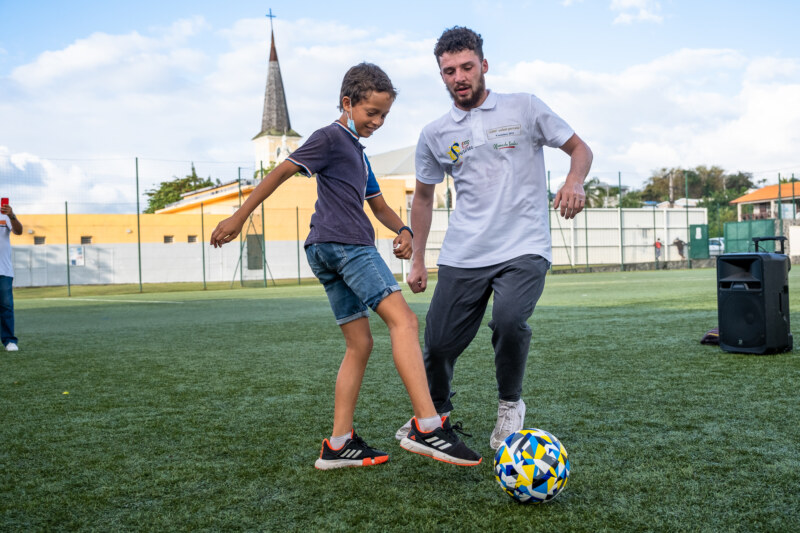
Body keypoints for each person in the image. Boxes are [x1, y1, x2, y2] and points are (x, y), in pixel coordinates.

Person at [210, 63, 481, 469]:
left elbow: (378, 205)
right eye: (372, 112)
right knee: (404, 322)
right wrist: (238, 216)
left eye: (384, 115)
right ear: (347, 103)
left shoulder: (357, 152)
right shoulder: (330, 137)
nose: (378, 121)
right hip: (345, 246)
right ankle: (428, 426)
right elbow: (281, 171)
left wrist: (404, 228)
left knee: (360, 343)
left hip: (323, 250)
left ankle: (338, 444)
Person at [398, 27, 593, 450]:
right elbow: (424, 199)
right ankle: (435, 415)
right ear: (442, 75)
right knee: (438, 344)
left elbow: (580, 149)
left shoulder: (524, 107)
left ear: (483, 65)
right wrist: (418, 259)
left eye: (467, 67)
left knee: (508, 320)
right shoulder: (434, 133)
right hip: (464, 252)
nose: (459, 77)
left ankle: (509, 405)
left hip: (524, 246)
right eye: (449, 71)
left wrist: (574, 181)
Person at [1, 201, 22, 351]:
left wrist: (12, 215)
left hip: (3, 270)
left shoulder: (5, 214)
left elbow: (19, 232)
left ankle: (9, 341)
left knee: (6, 306)